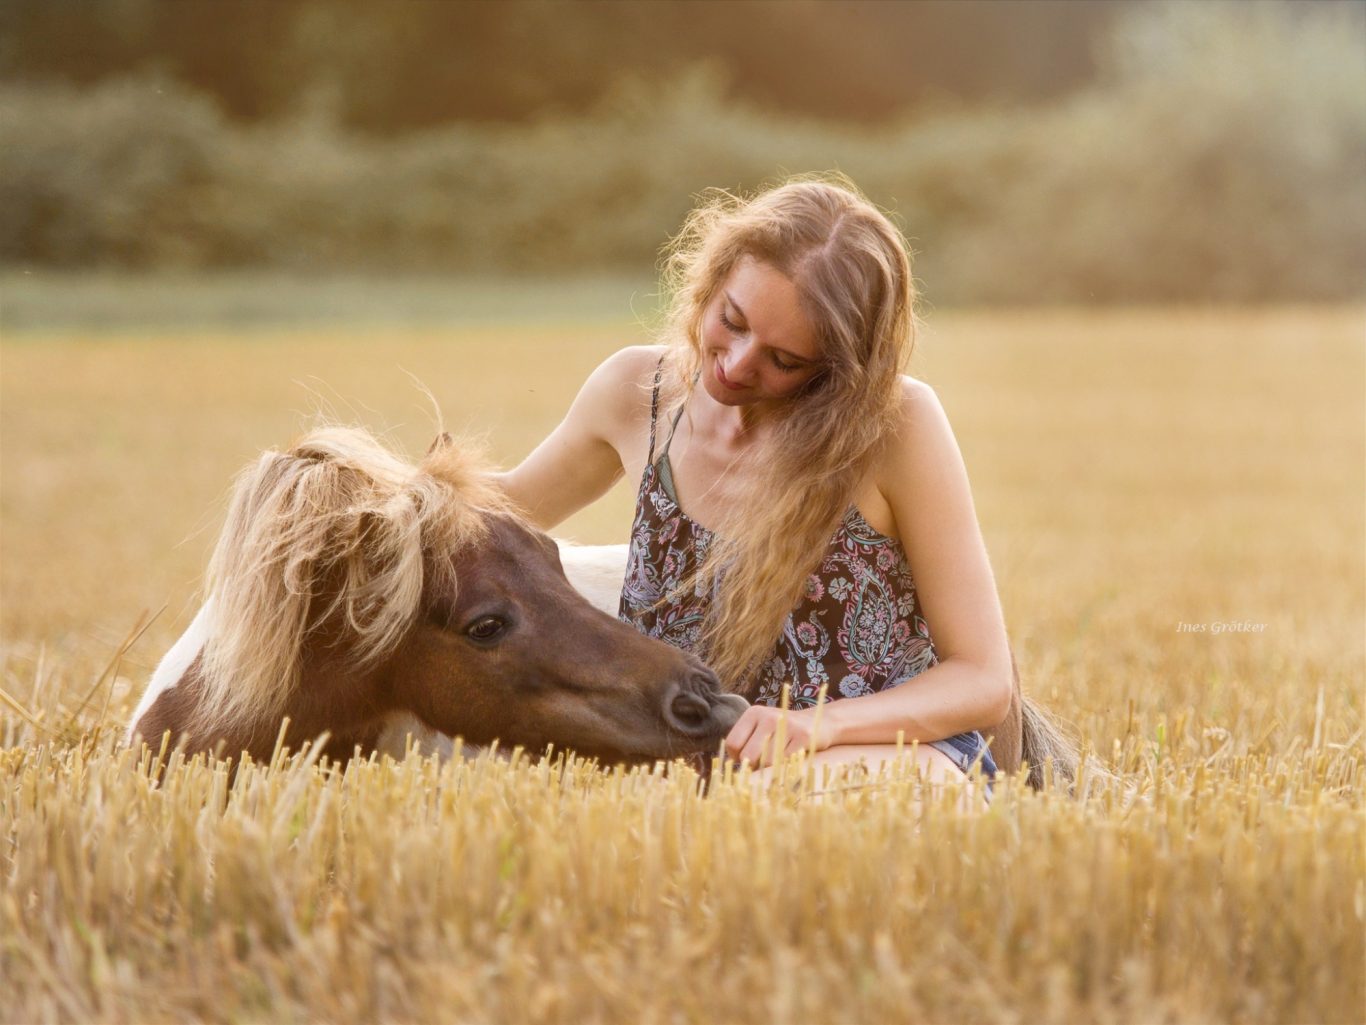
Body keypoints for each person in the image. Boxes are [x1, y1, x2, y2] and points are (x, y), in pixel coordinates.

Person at [495, 175, 1011, 801]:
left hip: (899, 758)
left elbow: (983, 679)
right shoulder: (639, 393)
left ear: (839, 372)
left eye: (784, 360)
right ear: (710, 283)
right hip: (701, 772)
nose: (737, 365)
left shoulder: (896, 426)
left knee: (746, 812)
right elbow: (498, 518)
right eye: (731, 320)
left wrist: (810, 727)